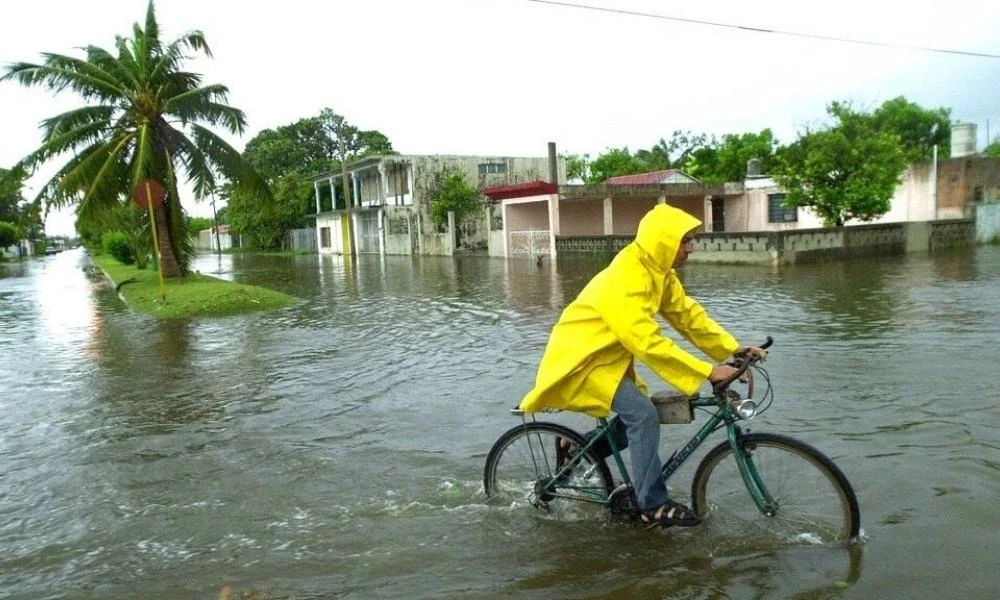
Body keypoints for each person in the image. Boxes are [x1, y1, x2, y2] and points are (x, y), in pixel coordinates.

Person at [518, 204, 766, 529]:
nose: (691, 247)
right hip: (581, 359)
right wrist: (707, 371)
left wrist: (732, 348)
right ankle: (651, 503)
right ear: (662, 241)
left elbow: (688, 317)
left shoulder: (659, 271)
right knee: (644, 415)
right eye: (685, 240)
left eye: (692, 239)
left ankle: (579, 447)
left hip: (610, 358)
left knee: (641, 416)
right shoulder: (627, 276)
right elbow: (647, 342)